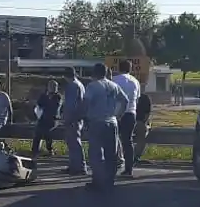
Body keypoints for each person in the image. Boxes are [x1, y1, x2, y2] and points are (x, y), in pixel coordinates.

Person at [81, 62, 129, 190]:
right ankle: (110, 179)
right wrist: (118, 115)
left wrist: (84, 117)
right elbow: (125, 100)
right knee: (111, 152)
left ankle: (97, 180)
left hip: (97, 121)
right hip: (112, 121)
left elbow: (86, 103)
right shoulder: (114, 85)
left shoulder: (93, 86)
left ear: (94, 73)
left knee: (96, 152)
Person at [110, 60, 141, 178]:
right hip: (131, 113)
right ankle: (129, 168)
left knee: (113, 140)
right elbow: (137, 99)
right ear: (130, 69)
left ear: (119, 68)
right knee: (128, 141)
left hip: (117, 113)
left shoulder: (115, 80)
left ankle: (113, 165)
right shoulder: (135, 81)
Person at [60, 67, 87, 175]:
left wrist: (67, 118)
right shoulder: (80, 84)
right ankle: (74, 165)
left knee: (73, 142)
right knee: (74, 141)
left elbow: (70, 105)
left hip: (73, 118)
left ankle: (79, 166)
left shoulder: (72, 86)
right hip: (78, 117)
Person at [31, 80, 61, 157]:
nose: (53, 88)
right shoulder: (43, 96)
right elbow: (39, 105)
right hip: (42, 118)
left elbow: (54, 107)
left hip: (53, 119)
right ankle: (35, 151)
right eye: (51, 86)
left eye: (55, 87)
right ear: (48, 87)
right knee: (38, 131)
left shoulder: (58, 97)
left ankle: (49, 149)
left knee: (47, 131)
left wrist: (46, 104)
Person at [133, 91, 152, 164]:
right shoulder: (145, 98)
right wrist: (146, 123)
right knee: (141, 139)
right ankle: (135, 156)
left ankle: (125, 156)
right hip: (140, 122)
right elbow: (147, 113)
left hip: (128, 121)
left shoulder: (130, 95)